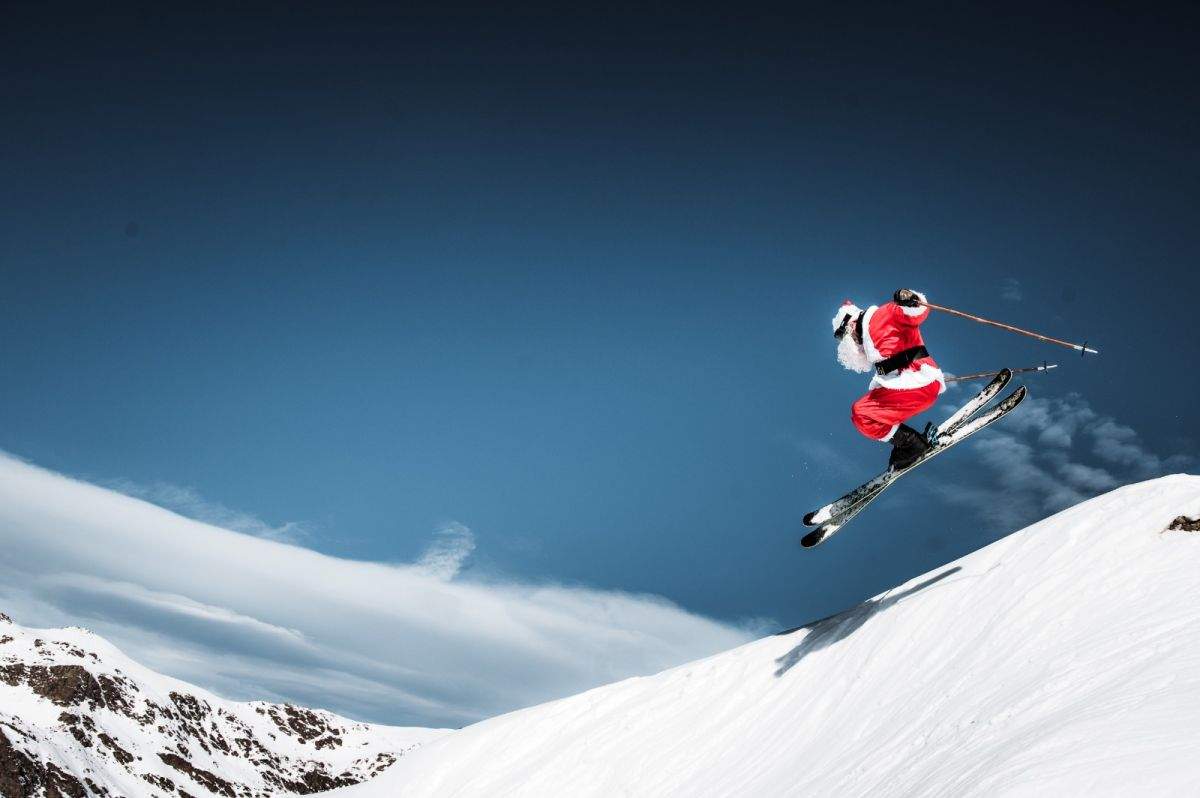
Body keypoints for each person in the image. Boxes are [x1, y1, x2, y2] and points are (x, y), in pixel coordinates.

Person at [832, 289, 946, 470]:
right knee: (861, 415)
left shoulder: (883, 314)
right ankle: (909, 443)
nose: (852, 341)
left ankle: (912, 445)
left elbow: (915, 313)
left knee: (861, 413)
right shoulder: (871, 345)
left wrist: (910, 299)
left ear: (850, 324)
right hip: (911, 387)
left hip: (919, 381)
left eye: (842, 335)